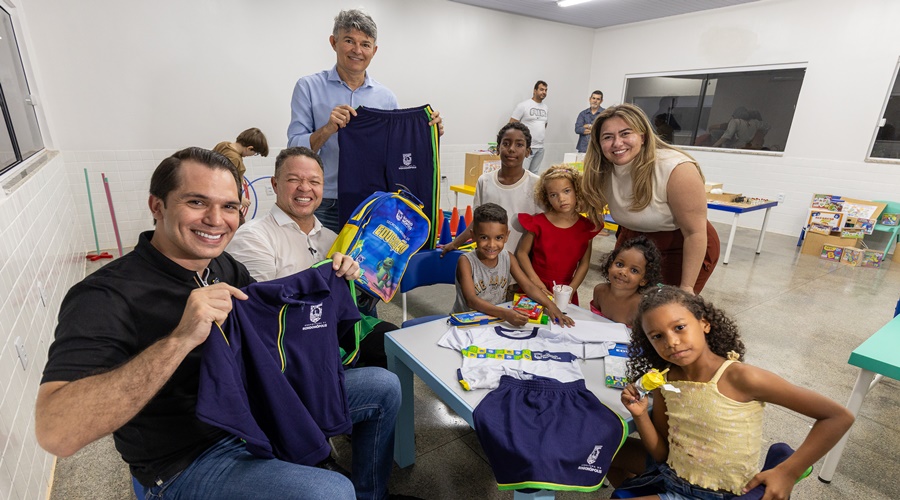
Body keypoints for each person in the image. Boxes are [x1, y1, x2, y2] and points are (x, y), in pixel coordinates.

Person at [35, 147, 403, 499]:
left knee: (383, 386)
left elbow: (271, 336)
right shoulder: (106, 295)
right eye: (196, 202)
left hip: (252, 408)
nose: (215, 220)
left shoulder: (225, 267)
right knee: (330, 492)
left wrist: (332, 280)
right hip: (186, 458)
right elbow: (57, 432)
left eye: (228, 206)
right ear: (157, 206)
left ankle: (371, 494)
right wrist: (179, 339)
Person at [610, 286, 854, 499]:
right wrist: (641, 414)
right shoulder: (665, 382)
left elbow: (837, 416)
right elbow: (663, 454)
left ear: (704, 324)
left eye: (680, 327)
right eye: (657, 336)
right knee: (602, 452)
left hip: (719, 495)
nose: (671, 341)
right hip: (672, 476)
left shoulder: (740, 378)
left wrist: (787, 472)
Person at [226, 146, 391, 368]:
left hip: (331, 329)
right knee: (382, 378)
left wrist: (354, 277)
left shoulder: (332, 239)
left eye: (314, 182)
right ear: (275, 184)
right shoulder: (252, 237)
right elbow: (261, 313)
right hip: (288, 343)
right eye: (294, 180)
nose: (305, 188)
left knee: (391, 341)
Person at [287, 9, 443, 233]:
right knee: (318, 265)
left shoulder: (386, 97)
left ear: (374, 50)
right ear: (333, 42)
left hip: (371, 205)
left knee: (366, 268)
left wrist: (428, 133)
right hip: (324, 203)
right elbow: (294, 149)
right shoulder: (308, 87)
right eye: (349, 41)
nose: (357, 50)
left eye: (365, 44)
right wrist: (327, 129)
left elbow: (397, 153)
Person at [581, 103, 720, 294]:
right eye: (608, 137)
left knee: (662, 308)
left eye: (625, 133)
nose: (617, 143)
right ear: (598, 143)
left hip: (679, 242)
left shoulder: (676, 168)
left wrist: (686, 288)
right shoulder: (602, 169)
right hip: (632, 237)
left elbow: (695, 232)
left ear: (643, 136)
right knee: (622, 300)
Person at [452, 203, 573, 327]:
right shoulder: (466, 262)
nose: (491, 245)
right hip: (465, 324)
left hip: (495, 321)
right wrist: (505, 314)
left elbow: (529, 286)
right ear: (473, 236)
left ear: (506, 237)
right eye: (484, 237)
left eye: (498, 238)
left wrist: (551, 306)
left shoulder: (508, 257)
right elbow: (471, 300)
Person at [443, 122, 541, 261]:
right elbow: (477, 222)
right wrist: (455, 243)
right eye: (506, 144)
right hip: (489, 261)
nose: (511, 149)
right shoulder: (485, 181)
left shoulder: (537, 184)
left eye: (519, 144)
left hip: (523, 264)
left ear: (528, 151)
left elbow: (544, 228)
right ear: (497, 149)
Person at [516, 165, 600, 305]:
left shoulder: (586, 227)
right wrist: (535, 281)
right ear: (546, 197)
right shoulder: (537, 222)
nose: (561, 199)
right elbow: (522, 253)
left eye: (566, 191)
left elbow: (584, 264)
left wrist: (571, 289)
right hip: (534, 287)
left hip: (565, 291)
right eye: (553, 195)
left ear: (577, 191)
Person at [590, 235, 662, 325]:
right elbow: (593, 322)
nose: (623, 272)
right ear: (610, 264)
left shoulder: (641, 306)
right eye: (619, 264)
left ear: (644, 280)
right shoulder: (599, 291)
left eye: (634, 270)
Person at [213, 127, 269, 215]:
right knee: (239, 220)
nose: (253, 155)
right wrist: (240, 198)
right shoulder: (235, 159)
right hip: (224, 198)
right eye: (255, 153)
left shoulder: (223, 145)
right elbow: (225, 182)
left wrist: (239, 175)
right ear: (250, 148)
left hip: (215, 193)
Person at [510, 80, 549, 173]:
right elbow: (511, 125)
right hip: (527, 147)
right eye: (541, 89)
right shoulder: (523, 105)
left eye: (546, 90)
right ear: (534, 91)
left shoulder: (545, 107)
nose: (544, 92)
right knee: (521, 173)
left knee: (534, 175)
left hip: (540, 148)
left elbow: (544, 125)